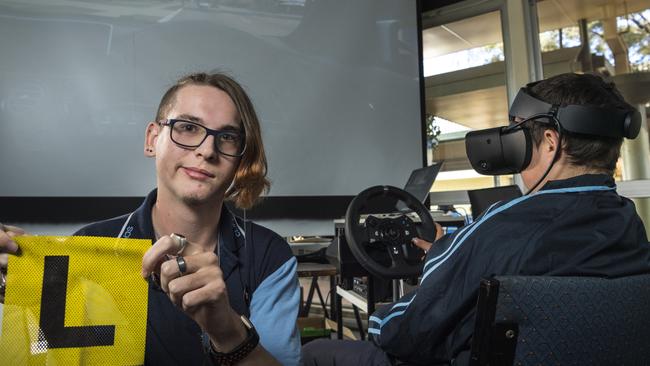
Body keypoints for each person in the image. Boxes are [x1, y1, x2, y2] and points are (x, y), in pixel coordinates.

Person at [302, 73, 650, 365]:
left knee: (318, 353)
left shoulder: (506, 222)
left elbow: (408, 331)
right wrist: (446, 253)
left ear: (548, 142)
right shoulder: (629, 225)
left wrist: (380, 318)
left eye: (520, 131)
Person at [0, 72, 301, 365]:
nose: (207, 150)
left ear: (240, 160)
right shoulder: (87, 248)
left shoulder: (270, 257)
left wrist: (227, 331)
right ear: (152, 139)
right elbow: (50, 353)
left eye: (227, 137)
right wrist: (18, 286)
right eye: (187, 128)